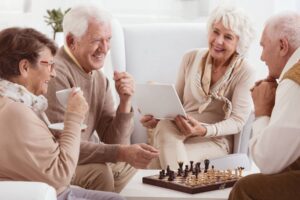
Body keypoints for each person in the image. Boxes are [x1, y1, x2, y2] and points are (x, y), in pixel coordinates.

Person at [0, 27, 124, 200]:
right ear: (25, 67)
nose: (53, 73)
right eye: (49, 64)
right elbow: (61, 176)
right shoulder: (17, 111)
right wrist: (73, 116)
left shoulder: (15, 102)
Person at [45, 5, 159, 193]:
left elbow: (113, 139)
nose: (105, 49)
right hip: (57, 162)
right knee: (101, 172)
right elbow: (62, 146)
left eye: (108, 40)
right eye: (97, 40)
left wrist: (125, 102)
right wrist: (121, 153)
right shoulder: (55, 73)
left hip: (77, 157)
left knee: (138, 162)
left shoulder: (99, 78)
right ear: (71, 41)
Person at [141, 5, 256, 170]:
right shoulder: (190, 58)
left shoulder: (245, 71)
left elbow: (237, 122)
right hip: (178, 132)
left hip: (213, 141)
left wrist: (203, 130)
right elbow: (175, 104)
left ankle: (177, 188)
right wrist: (156, 118)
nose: (218, 41)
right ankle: (183, 190)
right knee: (165, 126)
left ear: (240, 43)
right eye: (215, 32)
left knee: (157, 160)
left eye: (228, 37)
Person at [229, 12, 300, 200]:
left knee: (246, 187)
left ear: (283, 46)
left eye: (263, 46)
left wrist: (262, 111)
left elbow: (268, 162)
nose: (261, 57)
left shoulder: (294, 80)